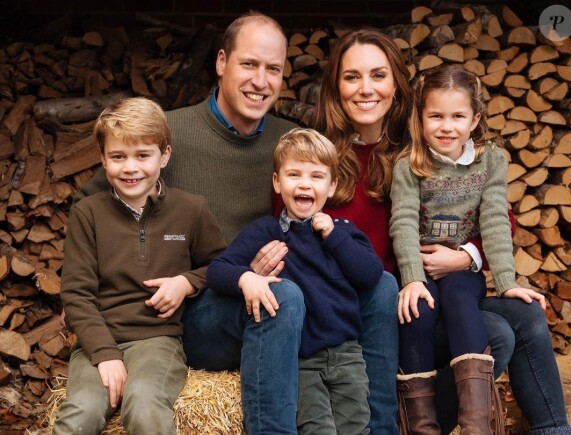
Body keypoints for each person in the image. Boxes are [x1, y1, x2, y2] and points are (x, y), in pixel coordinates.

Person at [77, 12, 396, 434]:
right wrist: (96, 292)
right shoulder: (168, 135)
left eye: (273, 69)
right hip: (200, 312)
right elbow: (92, 204)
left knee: (381, 286)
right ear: (222, 62)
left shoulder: (289, 141)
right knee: (284, 297)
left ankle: (382, 427)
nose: (260, 81)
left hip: (279, 302)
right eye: (249, 64)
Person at [313, 28, 571, 435]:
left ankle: (553, 431)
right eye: (352, 77)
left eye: (378, 75)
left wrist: (465, 255)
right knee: (498, 335)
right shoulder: (320, 158)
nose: (366, 89)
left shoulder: (425, 142)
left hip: (444, 283)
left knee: (525, 314)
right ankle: (432, 425)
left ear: (397, 87)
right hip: (386, 306)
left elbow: (498, 219)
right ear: (335, 86)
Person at [53, 97, 227, 434]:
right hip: (96, 341)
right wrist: (105, 354)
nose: (130, 168)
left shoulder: (191, 210)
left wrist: (187, 282)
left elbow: (220, 264)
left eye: (142, 155)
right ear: (103, 159)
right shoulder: (87, 213)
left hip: (158, 341)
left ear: (164, 155)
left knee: (145, 404)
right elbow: (75, 294)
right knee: (80, 413)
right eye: (118, 156)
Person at [390, 64, 544, 433]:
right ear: (420, 118)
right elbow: (404, 221)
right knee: (418, 310)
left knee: (461, 298)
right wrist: (411, 278)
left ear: (475, 119)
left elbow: (493, 220)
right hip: (420, 270)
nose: (447, 126)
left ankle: (476, 423)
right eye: (436, 116)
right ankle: (420, 425)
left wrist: (506, 282)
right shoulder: (409, 164)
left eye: (458, 116)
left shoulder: (490, 160)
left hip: (462, 271)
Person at [208, 128, 383, 434]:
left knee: (356, 427)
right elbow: (218, 270)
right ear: (278, 183)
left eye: (317, 176)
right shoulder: (266, 231)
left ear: (332, 186)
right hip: (302, 360)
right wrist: (246, 278)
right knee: (317, 429)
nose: (305, 184)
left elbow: (370, 275)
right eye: (294, 175)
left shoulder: (343, 232)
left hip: (347, 355)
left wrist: (332, 236)